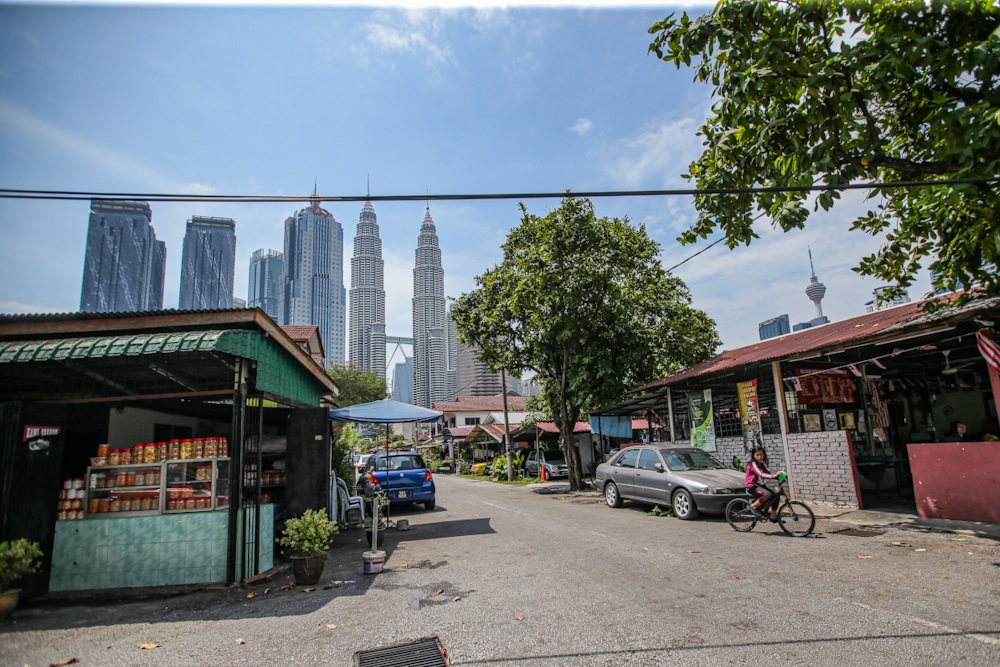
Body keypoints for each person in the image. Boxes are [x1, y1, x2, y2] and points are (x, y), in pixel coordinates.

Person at [744, 446, 783, 521]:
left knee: (776, 496)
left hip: (759, 485)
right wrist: (773, 476)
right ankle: (752, 507)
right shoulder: (752, 464)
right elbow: (761, 474)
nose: (759, 457)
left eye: (761, 455)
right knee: (767, 495)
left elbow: (767, 474)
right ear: (753, 456)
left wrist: (779, 477)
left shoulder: (761, 464)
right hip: (751, 486)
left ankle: (773, 516)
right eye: (757, 455)